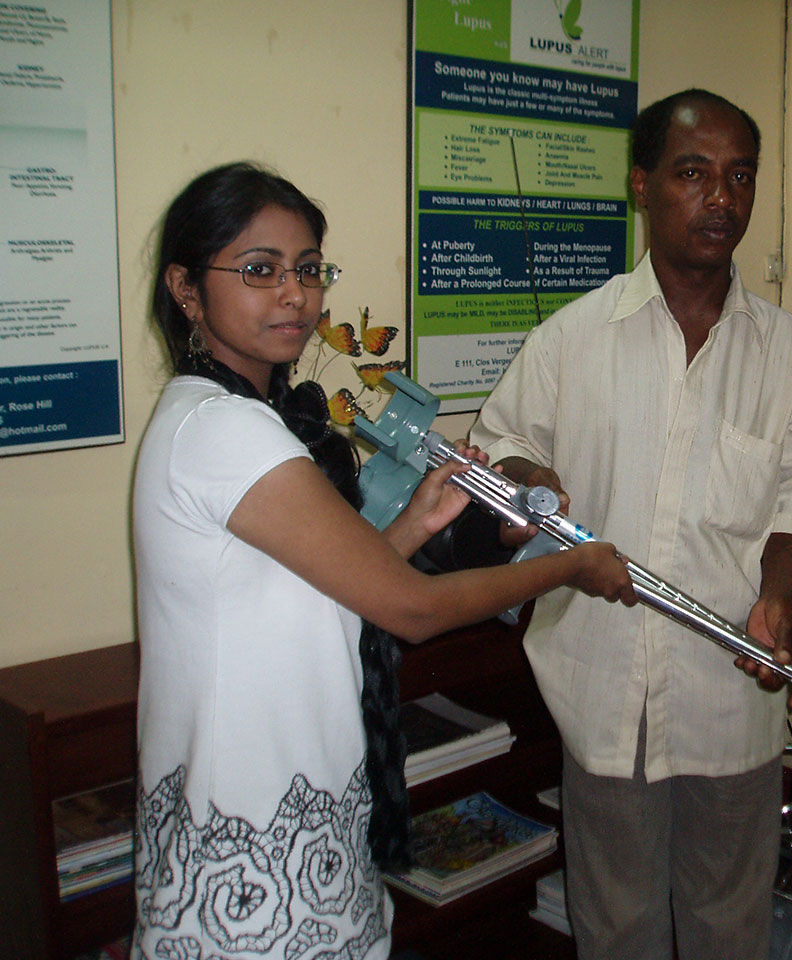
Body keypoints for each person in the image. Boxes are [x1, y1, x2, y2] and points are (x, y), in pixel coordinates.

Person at [130, 161, 636, 960]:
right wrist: (571, 566)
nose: (294, 294)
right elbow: (410, 608)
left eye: (308, 270)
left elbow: (320, 588)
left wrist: (416, 519)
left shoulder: (220, 416)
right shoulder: (227, 431)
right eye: (259, 270)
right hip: (253, 840)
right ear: (187, 290)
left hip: (294, 820)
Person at [470, 90, 792, 960]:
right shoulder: (571, 340)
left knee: (728, 927)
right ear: (641, 185)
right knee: (617, 931)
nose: (721, 197)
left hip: (731, 695)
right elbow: (503, 446)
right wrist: (530, 480)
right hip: (602, 690)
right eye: (693, 173)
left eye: (739, 176)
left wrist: (782, 598)